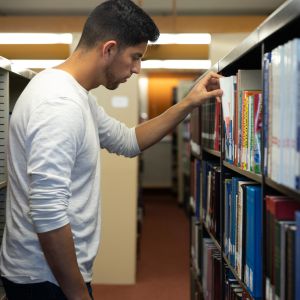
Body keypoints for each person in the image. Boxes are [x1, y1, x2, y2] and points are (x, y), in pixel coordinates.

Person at [0, 0, 222, 299]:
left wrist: (187, 104)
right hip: (44, 278)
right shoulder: (58, 104)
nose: (137, 69)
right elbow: (47, 212)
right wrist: (78, 293)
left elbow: (129, 141)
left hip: (52, 275)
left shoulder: (78, 97)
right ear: (109, 49)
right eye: (134, 57)